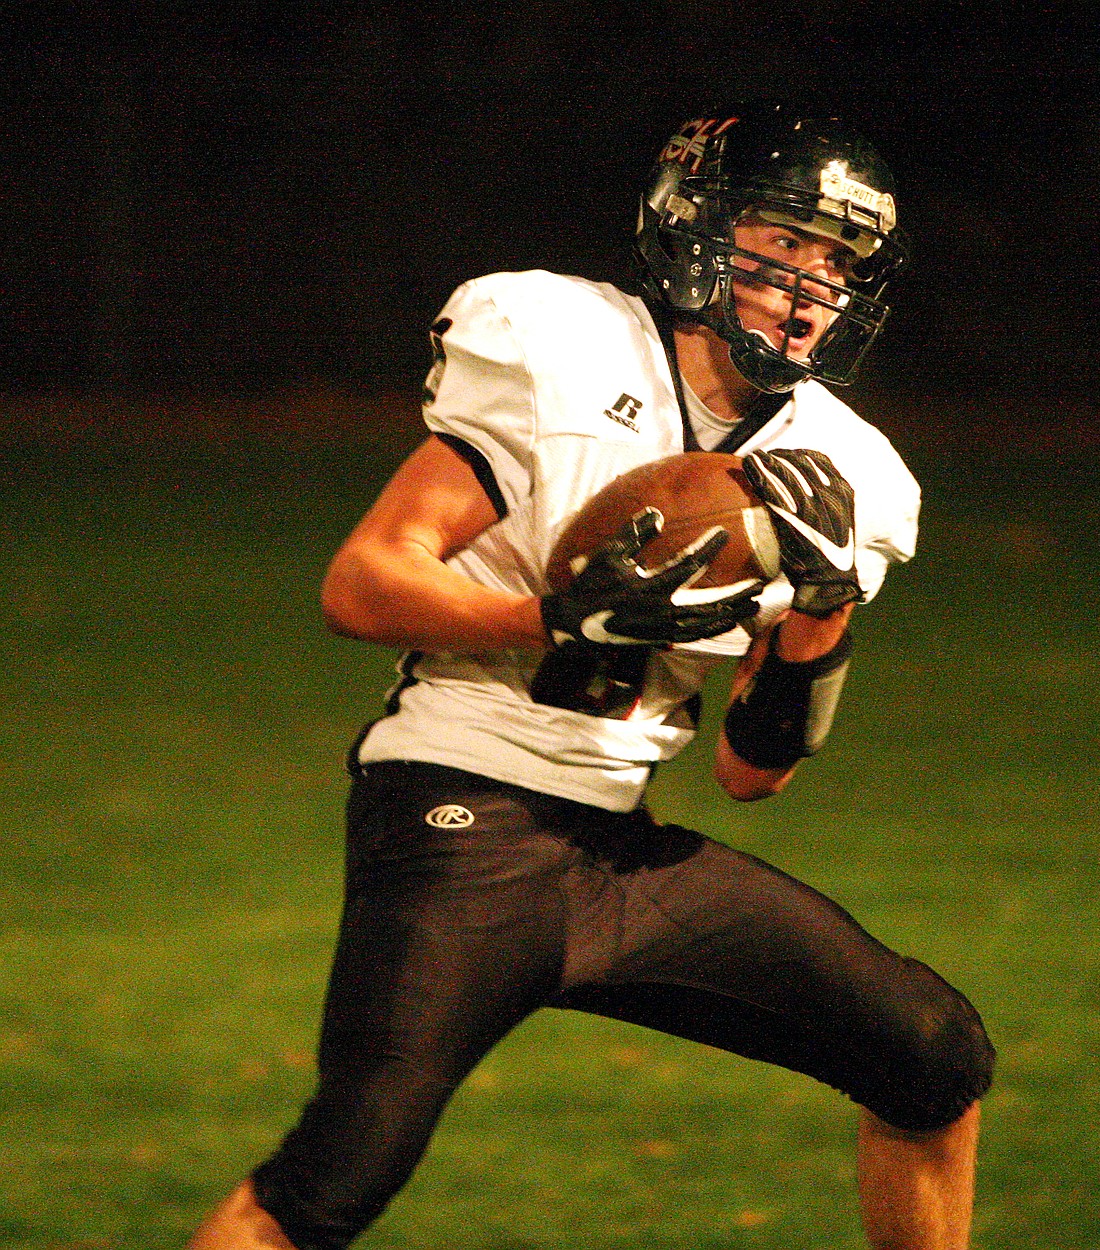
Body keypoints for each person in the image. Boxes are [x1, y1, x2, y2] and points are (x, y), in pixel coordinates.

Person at [189, 102, 994, 1250]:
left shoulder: (847, 465)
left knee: (933, 1055)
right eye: (785, 243)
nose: (814, 282)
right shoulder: (564, 345)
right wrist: (557, 616)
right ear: (694, 230)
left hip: (619, 847)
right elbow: (362, 583)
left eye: (839, 259)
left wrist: (820, 607)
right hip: (460, 811)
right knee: (340, 1168)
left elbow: (751, 773)